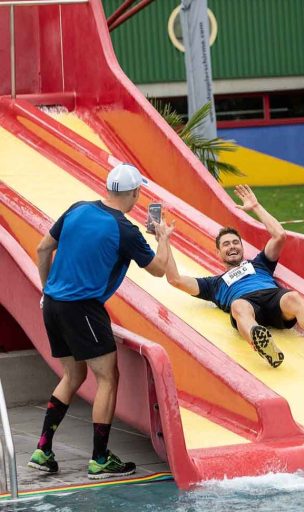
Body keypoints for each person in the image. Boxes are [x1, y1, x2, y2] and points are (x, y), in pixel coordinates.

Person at [28, 163, 172, 479]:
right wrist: (163, 237)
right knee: (108, 377)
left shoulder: (77, 208)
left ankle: (43, 449)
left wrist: (47, 288)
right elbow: (159, 269)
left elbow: (42, 248)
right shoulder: (126, 230)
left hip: (52, 304)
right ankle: (100, 458)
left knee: (73, 374)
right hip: (83, 309)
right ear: (134, 193)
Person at [165, 184, 304, 368]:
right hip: (247, 306)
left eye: (236, 242)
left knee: (293, 296)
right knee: (238, 305)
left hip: (272, 297)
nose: (232, 246)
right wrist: (164, 241)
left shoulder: (259, 263)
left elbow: (280, 236)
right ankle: (264, 345)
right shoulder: (214, 284)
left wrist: (256, 207)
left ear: (242, 248)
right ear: (218, 253)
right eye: (226, 244)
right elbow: (175, 280)